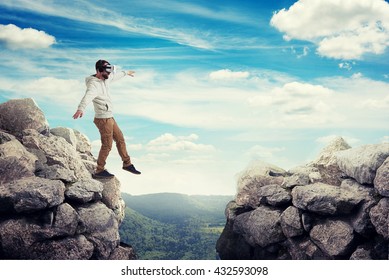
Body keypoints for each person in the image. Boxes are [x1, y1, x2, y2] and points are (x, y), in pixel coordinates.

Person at [73, 59, 141, 178]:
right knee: (107, 145)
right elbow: (87, 97)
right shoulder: (93, 85)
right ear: (99, 71)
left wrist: (126, 72)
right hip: (103, 119)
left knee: (120, 139)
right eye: (107, 72)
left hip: (110, 117)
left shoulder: (106, 78)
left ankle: (127, 164)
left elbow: (116, 76)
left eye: (110, 72)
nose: (109, 75)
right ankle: (99, 170)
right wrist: (81, 108)